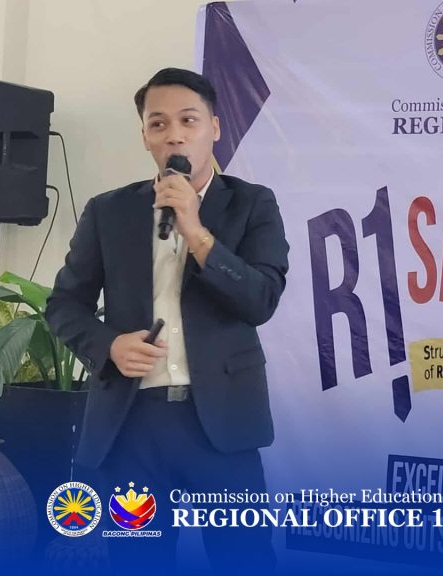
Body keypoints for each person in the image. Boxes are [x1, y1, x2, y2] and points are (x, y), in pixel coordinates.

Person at [45, 67, 288, 573]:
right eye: (158, 124)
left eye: (188, 120)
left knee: (244, 559)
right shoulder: (108, 211)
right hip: (133, 426)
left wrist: (196, 232)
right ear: (145, 137)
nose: (174, 134)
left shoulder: (252, 204)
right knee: (137, 559)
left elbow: (261, 300)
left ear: (214, 128)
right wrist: (109, 346)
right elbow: (65, 305)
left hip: (221, 424)